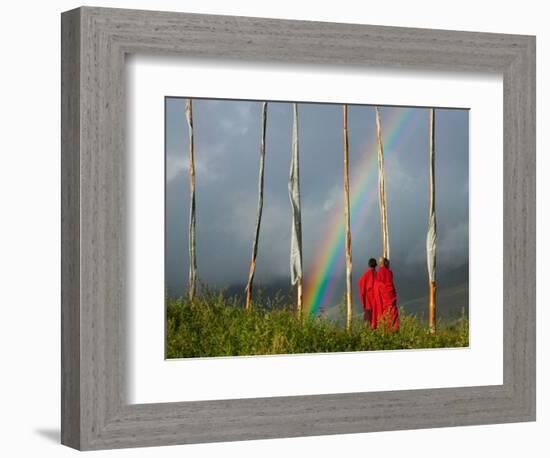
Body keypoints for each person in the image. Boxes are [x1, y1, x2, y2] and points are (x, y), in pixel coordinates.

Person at [373, 257, 399, 331]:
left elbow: (377, 286)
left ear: (380, 264)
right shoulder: (389, 272)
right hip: (391, 297)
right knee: (393, 314)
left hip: (383, 299)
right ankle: (394, 330)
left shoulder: (379, 273)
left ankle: (385, 332)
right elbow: (390, 285)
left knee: (385, 316)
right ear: (385, 263)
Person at [358, 258, 378, 328]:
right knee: (377, 323)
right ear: (376, 265)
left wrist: (363, 303)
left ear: (369, 265)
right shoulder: (378, 275)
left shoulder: (365, 276)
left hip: (368, 304)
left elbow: (362, 291)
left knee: (368, 325)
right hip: (377, 304)